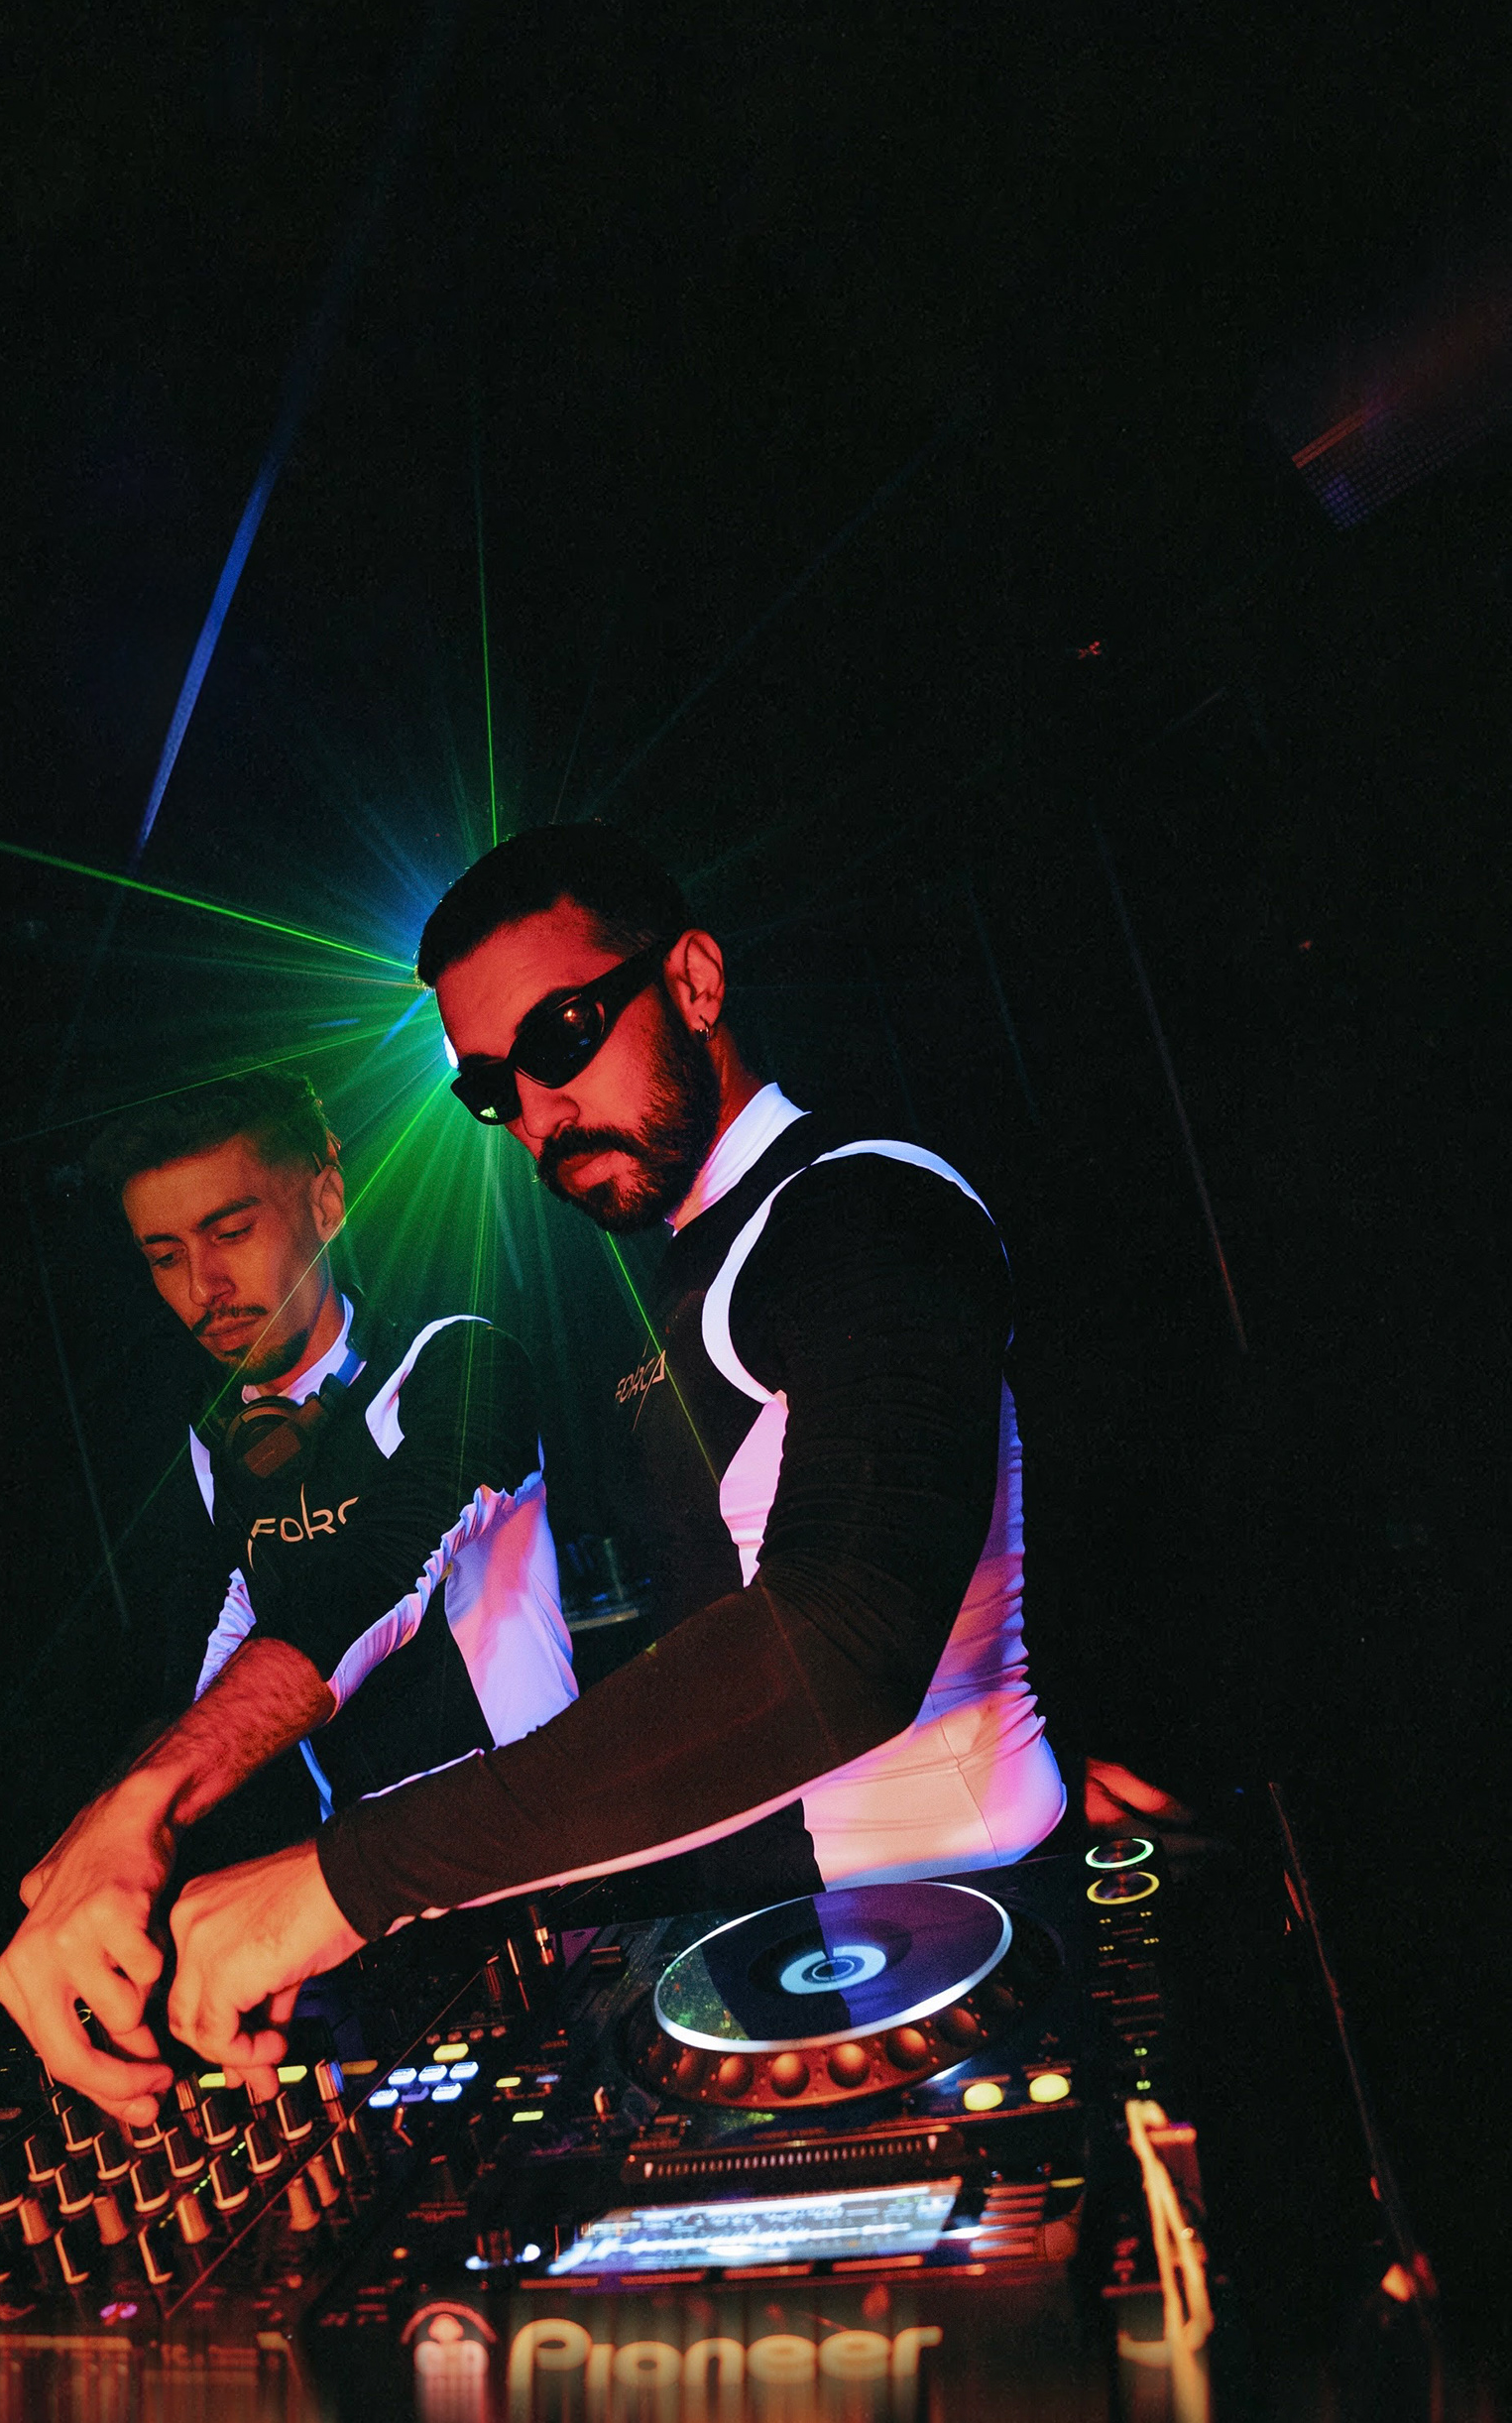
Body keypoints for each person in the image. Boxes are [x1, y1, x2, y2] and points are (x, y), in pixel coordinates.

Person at [158, 825, 1071, 2087]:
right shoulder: (688, 1273)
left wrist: (347, 1880)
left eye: (563, 1035)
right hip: (794, 1954)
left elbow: (843, 1637)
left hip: (955, 1948)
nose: (537, 1112)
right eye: (493, 1088)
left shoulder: (866, 1203)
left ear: (693, 982)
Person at [0, 1068, 575, 2114]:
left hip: (546, 1881)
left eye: (230, 1231)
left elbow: (374, 1581)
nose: (202, 1288)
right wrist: (103, 1852)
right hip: (356, 1912)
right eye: (164, 1256)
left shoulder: (460, 1362)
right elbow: (199, 1683)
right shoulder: (214, 1450)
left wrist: (144, 1806)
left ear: (326, 1200)